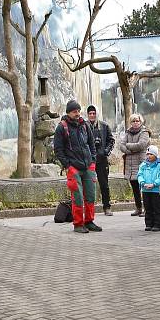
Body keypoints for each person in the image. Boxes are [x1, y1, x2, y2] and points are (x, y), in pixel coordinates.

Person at [53, 100, 101, 234]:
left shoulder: (84, 125)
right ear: (68, 112)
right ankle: (78, 224)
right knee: (78, 197)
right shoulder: (62, 127)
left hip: (88, 167)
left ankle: (89, 222)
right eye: (75, 111)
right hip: (73, 168)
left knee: (91, 195)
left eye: (79, 111)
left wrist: (93, 162)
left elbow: (91, 144)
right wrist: (68, 166)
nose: (77, 113)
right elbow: (58, 150)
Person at [118, 114, 151, 217]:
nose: (135, 123)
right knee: (135, 188)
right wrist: (130, 149)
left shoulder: (144, 133)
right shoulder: (128, 132)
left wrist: (128, 146)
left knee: (144, 188)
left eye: (137, 121)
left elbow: (141, 145)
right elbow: (121, 145)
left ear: (140, 122)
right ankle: (138, 208)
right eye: (133, 121)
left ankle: (147, 209)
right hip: (131, 165)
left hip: (141, 163)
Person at [87, 105, 115, 216]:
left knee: (104, 184)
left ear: (97, 114)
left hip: (102, 159)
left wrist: (105, 151)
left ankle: (107, 207)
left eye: (94, 113)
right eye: (90, 113)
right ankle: (89, 208)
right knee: (88, 185)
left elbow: (111, 140)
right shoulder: (84, 126)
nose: (92, 115)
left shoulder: (104, 126)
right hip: (88, 160)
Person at [137, 145, 160, 232]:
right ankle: (149, 224)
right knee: (148, 207)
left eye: (151, 154)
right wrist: (142, 182)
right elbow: (140, 175)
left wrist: (154, 184)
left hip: (156, 190)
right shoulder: (143, 165)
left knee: (157, 208)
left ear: (156, 155)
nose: (149, 156)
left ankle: (158, 224)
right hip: (145, 189)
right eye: (148, 154)